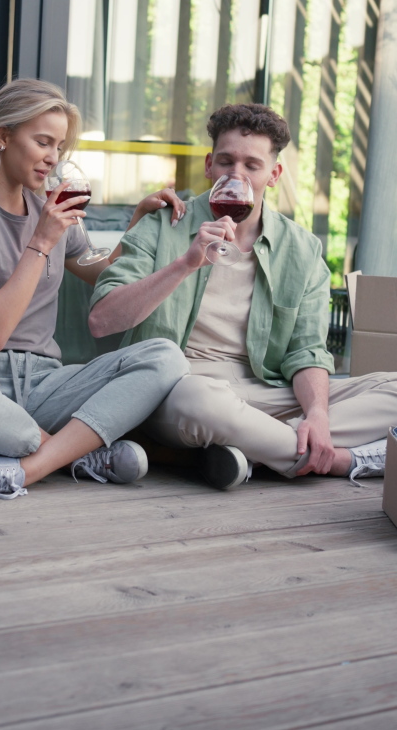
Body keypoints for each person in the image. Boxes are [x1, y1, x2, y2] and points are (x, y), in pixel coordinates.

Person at [88, 103, 397, 490]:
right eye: (226, 162)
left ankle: (252, 448)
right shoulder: (162, 226)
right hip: (180, 386)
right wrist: (184, 264)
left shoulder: (302, 249)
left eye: (252, 165)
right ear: (208, 166)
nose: (237, 175)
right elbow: (102, 321)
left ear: (273, 175)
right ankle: (332, 459)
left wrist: (317, 413)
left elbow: (306, 352)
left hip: (264, 389)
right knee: (199, 401)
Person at [0, 78, 189, 500]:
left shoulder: (49, 211)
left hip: (45, 384)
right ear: (2, 137)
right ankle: (75, 454)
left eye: (59, 148)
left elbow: (102, 271)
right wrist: (42, 240)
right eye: (43, 143)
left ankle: (28, 466)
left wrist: (139, 222)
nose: (53, 159)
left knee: (164, 356)